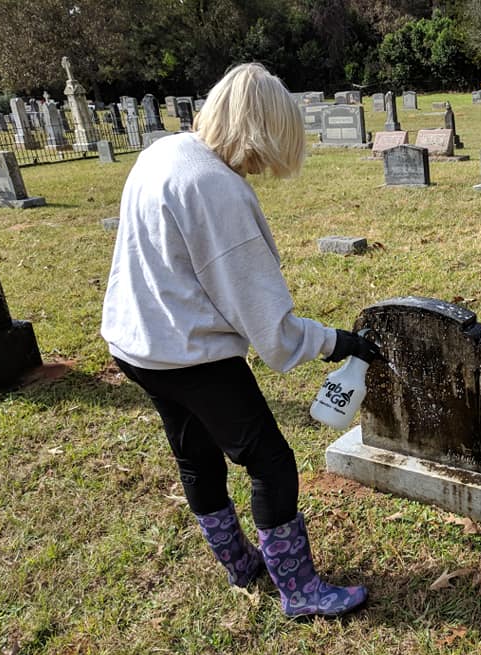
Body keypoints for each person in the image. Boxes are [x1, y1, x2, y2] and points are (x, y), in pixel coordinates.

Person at [100, 63, 378, 618]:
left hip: (136, 343)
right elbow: (271, 330)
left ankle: (241, 567)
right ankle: (299, 592)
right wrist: (337, 342)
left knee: (197, 456)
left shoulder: (164, 151)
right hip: (187, 353)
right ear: (264, 129)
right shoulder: (215, 188)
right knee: (270, 461)